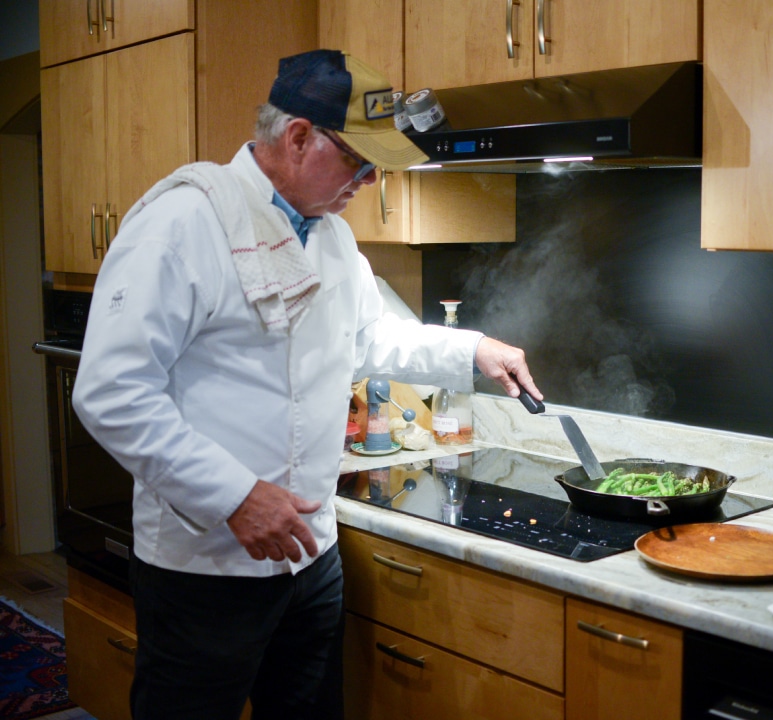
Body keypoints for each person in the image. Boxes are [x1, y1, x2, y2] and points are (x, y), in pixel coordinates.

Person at [72, 49, 543, 720]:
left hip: (310, 559)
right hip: (207, 567)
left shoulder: (331, 239)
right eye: (359, 159)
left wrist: (474, 349)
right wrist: (235, 495)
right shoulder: (184, 224)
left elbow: (369, 339)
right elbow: (112, 392)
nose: (370, 177)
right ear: (298, 136)